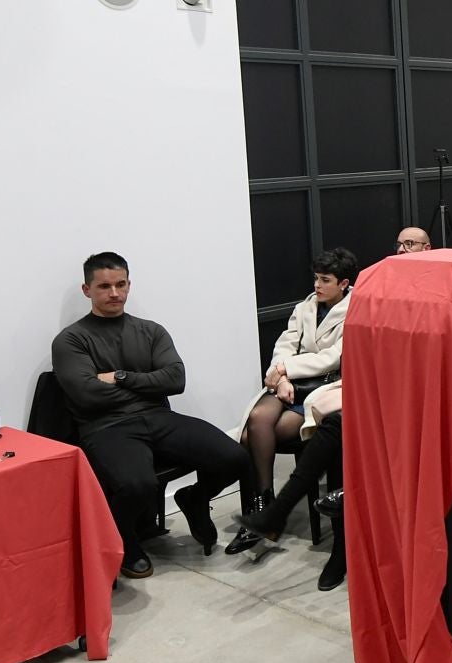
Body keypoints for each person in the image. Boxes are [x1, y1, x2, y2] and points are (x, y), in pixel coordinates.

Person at [53, 253, 253, 579]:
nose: (114, 293)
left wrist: (119, 377)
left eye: (120, 284)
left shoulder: (150, 331)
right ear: (87, 289)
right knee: (138, 485)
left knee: (234, 456)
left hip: (158, 418)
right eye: (104, 286)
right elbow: (86, 394)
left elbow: (175, 379)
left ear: (129, 284)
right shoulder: (71, 340)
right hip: (106, 427)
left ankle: (195, 497)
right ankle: (124, 540)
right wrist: (146, 383)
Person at [225, 248, 357, 557]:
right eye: (315, 278)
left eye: (325, 280)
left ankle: (264, 512)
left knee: (251, 436)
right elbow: (285, 343)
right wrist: (281, 374)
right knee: (256, 421)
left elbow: (334, 357)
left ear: (344, 283)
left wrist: (288, 369)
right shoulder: (305, 307)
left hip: (322, 389)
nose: (317, 285)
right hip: (290, 384)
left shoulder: (357, 309)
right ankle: (266, 507)